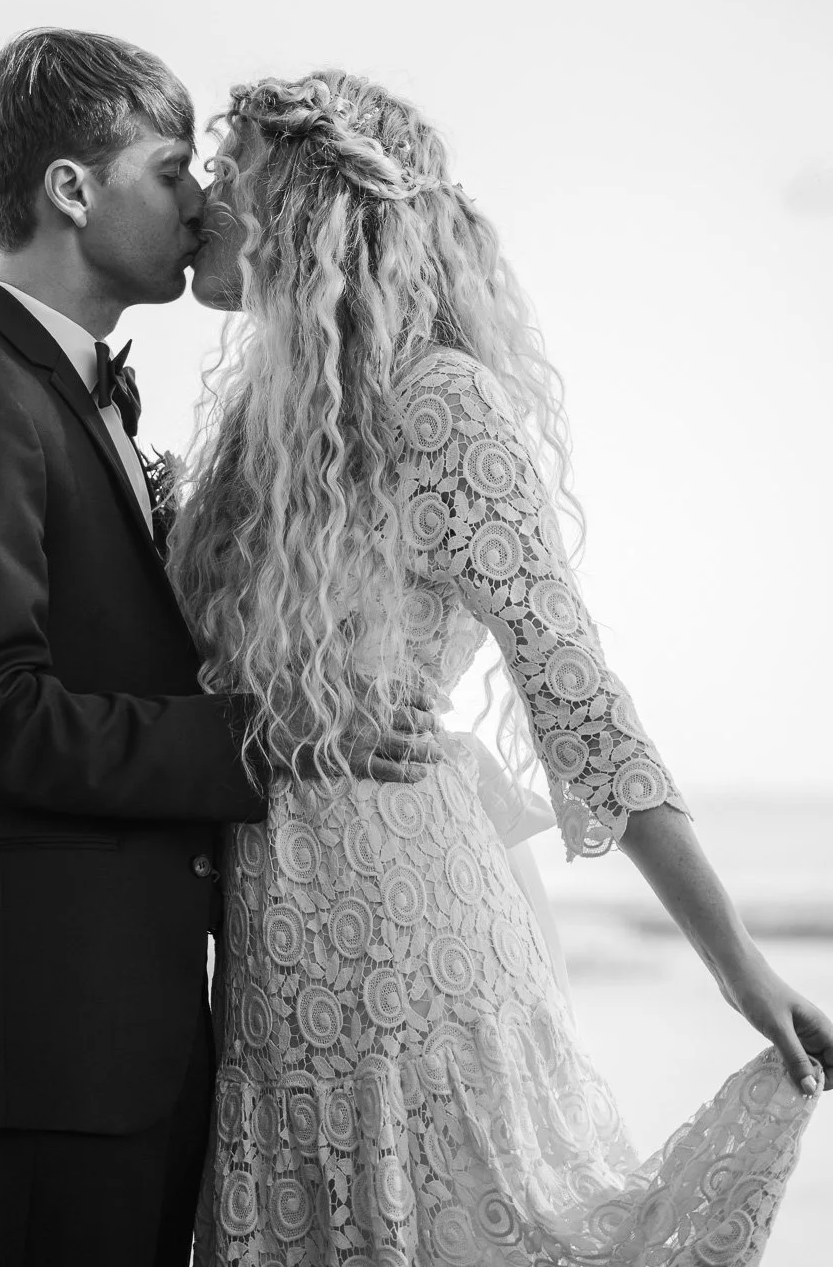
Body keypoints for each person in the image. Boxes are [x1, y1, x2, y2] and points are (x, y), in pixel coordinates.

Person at [172, 68, 831, 1267]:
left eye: (233, 169)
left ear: (311, 206)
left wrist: (738, 967)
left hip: (407, 925)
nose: (202, 195)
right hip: (272, 943)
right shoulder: (254, 438)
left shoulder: (441, 405)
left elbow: (576, 699)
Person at [0, 29, 437, 1267]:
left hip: (138, 1033)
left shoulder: (74, 399)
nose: (202, 201)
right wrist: (265, 738)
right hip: (45, 1039)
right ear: (72, 189)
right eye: (171, 171)